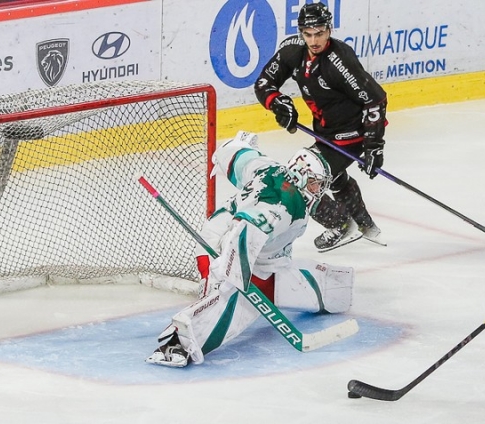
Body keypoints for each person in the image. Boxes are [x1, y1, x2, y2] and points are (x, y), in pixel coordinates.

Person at [146, 130, 354, 367]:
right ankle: (175, 343)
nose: (319, 191)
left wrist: (233, 147)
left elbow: (239, 157)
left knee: (334, 291)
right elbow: (244, 232)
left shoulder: (271, 169)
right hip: (222, 243)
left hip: (261, 253)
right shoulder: (283, 206)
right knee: (228, 301)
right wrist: (234, 276)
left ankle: (253, 286)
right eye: (316, 184)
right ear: (301, 176)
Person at [254, 2, 388, 252]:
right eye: (308, 34)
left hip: (352, 135)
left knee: (300, 179)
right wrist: (278, 103)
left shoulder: (340, 61)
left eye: (319, 33)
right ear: (300, 32)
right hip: (325, 132)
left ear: (329, 30)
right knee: (334, 177)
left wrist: (374, 146)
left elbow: (375, 99)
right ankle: (366, 225)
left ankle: (340, 225)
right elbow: (264, 84)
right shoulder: (292, 51)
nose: (314, 40)